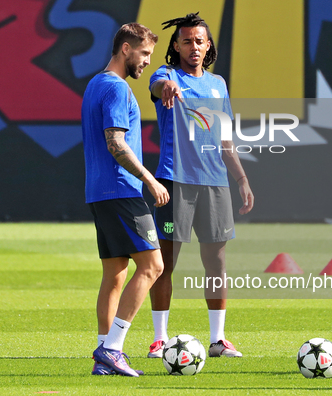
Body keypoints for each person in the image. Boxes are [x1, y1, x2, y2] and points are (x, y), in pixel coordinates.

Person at [147, 13, 254, 359]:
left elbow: (225, 139)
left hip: (215, 183)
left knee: (217, 263)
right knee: (165, 262)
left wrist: (241, 178)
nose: (194, 46)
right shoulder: (167, 75)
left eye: (199, 40)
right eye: (187, 41)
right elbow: (155, 85)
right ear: (176, 45)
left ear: (208, 46)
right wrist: (166, 87)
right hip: (175, 179)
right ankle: (160, 340)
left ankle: (218, 340)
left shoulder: (218, 84)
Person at [82, 22, 169, 377]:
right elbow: (116, 142)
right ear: (125, 50)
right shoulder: (117, 89)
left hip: (99, 192)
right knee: (153, 266)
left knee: (115, 274)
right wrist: (148, 178)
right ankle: (112, 348)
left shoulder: (94, 84)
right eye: (144, 53)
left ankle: (105, 359)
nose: (146, 61)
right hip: (121, 190)